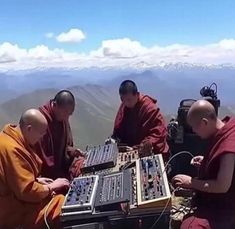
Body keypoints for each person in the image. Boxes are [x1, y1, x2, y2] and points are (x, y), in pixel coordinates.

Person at [0, 109, 70, 229]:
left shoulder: (8, 137)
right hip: (12, 214)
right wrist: (50, 187)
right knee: (60, 206)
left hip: (17, 201)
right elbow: (26, 191)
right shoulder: (12, 149)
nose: (42, 137)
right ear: (29, 129)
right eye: (41, 133)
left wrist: (37, 180)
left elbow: (14, 178)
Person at [172, 100, 235, 229]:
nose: (194, 131)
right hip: (216, 199)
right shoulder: (224, 127)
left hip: (226, 208)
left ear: (205, 122)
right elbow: (220, 163)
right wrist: (206, 161)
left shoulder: (229, 146)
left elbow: (222, 186)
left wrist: (191, 182)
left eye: (194, 127)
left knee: (189, 226)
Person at [112, 80, 169, 158]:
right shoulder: (126, 106)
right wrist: (115, 140)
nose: (125, 103)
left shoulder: (149, 108)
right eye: (122, 99)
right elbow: (119, 127)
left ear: (136, 95)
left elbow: (158, 133)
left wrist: (138, 148)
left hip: (147, 152)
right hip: (130, 148)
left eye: (128, 99)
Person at [36, 90, 84, 179]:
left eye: (69, 114)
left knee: (83, 165)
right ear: (54, 105)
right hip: (48, 175)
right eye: (65, 112)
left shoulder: (62, 118)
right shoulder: (41, 121)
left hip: (62, 167)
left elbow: (65, 146)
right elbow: (42, 158)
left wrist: (72, 151)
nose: (67, 117)